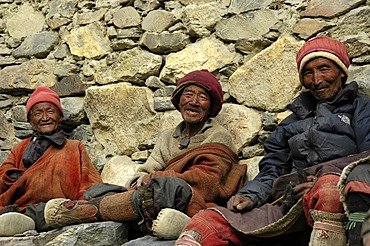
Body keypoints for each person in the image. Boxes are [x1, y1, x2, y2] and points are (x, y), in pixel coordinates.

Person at [175, 36, 370, 246]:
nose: (316, 79)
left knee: (329, 190)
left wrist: (324, 179)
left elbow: (365, 161)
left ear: (342, 71)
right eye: (307, 72)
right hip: (294, 205)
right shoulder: (290, 123)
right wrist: (250, 195)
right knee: (208, 220)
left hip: (347, 209)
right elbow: (273, 168)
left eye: (324, 68)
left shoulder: (361, 109)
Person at [43, 70, 247, 240]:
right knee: (98, 190)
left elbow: (207, 182)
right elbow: (146, 171)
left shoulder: (218, 136)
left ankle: (82, 212)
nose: (193, 102)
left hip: (192, 201)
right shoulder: (169, 136)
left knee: (169, 187)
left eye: (202, 97)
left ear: (211, 106)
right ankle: (156, 221)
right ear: (179, 101)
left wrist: (155, 180)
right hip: (155, 198)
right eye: (188, 95)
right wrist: (145, 180)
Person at [0, 86, 102, 236]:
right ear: (30, 120)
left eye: (50, 111)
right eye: (38, 113)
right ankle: (24, 221)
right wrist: (21, 178)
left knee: (55, 212)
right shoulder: (19, 149)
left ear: (60, 117)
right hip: (22, 207)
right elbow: (3, 178)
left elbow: (89, 181)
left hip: (59, 207)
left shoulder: (74, 147)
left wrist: (81, 205)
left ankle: (36, 220)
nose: (45, 117)